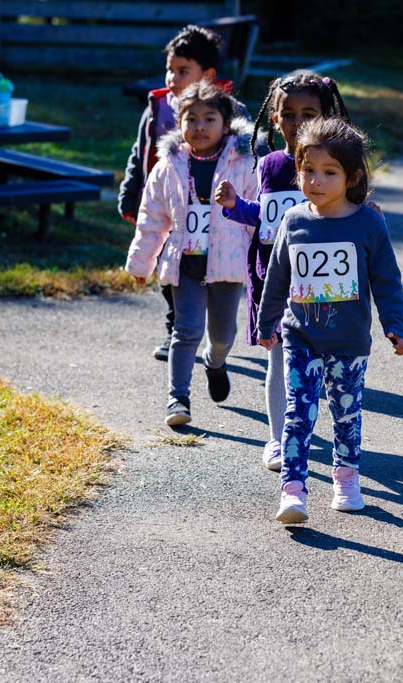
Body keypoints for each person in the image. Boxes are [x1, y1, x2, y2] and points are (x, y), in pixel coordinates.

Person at [256, 118, 403, 525]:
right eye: (308, 171)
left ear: (352, 176)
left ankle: (346, 478)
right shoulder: (293, 221)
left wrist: (394, 324)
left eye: (329, 173)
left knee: (346, 413)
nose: (316, 181)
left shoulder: (368, 223)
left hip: (349, 340)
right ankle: (292, 489)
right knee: (297, 412)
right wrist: (267, 322)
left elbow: (386, 279)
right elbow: (278, 277)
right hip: (300, 334)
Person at [213, 70, 351, 472]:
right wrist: (235, 205)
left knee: (324, 367)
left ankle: (329, 436)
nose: (298, 122)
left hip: (323, 286)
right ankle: (277, 439)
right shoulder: (270, 164)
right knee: (276, 360)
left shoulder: (335, 165)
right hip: (272, 279)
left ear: (327, 117)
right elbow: (265, 217)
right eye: (288, 114)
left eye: (309, 113)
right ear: (275, 119)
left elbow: (352, 212)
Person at [125, 82, 257, 427]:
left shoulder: (243, 163)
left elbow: (257, 214)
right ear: (179, 124)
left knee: (223, 335)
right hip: (184, 263)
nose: (199, 127)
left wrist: (265, 262)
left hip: (227, 263)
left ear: (225, 123)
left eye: (209, 119)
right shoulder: (169, 164)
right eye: (191, 119)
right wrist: (142, 261)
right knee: (186, 331)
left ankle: (215, 363)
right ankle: (177, 398)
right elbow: (152, 217)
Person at [118, 25, 247, 361]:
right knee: (169, 269)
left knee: (210, 280)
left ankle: (210, 336)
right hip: (169, 209)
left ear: (208, 75)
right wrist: (131, 189)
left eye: (183, 71)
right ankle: (177, 326)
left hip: (215, 213)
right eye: (170, 69)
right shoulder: (157, 108)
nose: (172, 78)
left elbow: (248, 157)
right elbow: (140, 152)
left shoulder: (231, 112)